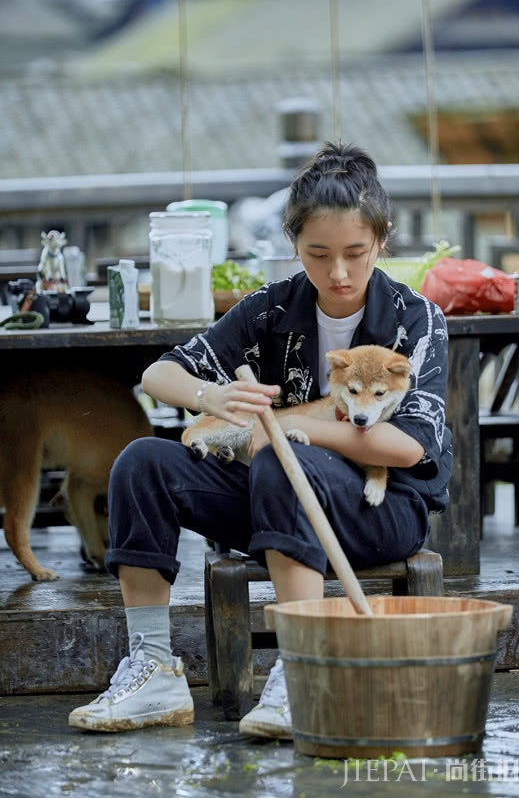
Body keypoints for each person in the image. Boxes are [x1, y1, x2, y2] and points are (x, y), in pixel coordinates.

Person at [69, 141, 452, 738]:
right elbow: (157, 375)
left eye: (355, 252)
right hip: (272, 501)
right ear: (292, 243)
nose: (339, 272)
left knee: (280, 452)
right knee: (143, 461)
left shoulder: (414, 318)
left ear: (381, 240)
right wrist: (211, 397)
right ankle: (152, 667)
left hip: (378, 512)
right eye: (317, 253)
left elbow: (407, 447)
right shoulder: (270, 309)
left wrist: (296, 429)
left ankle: (302, 671)